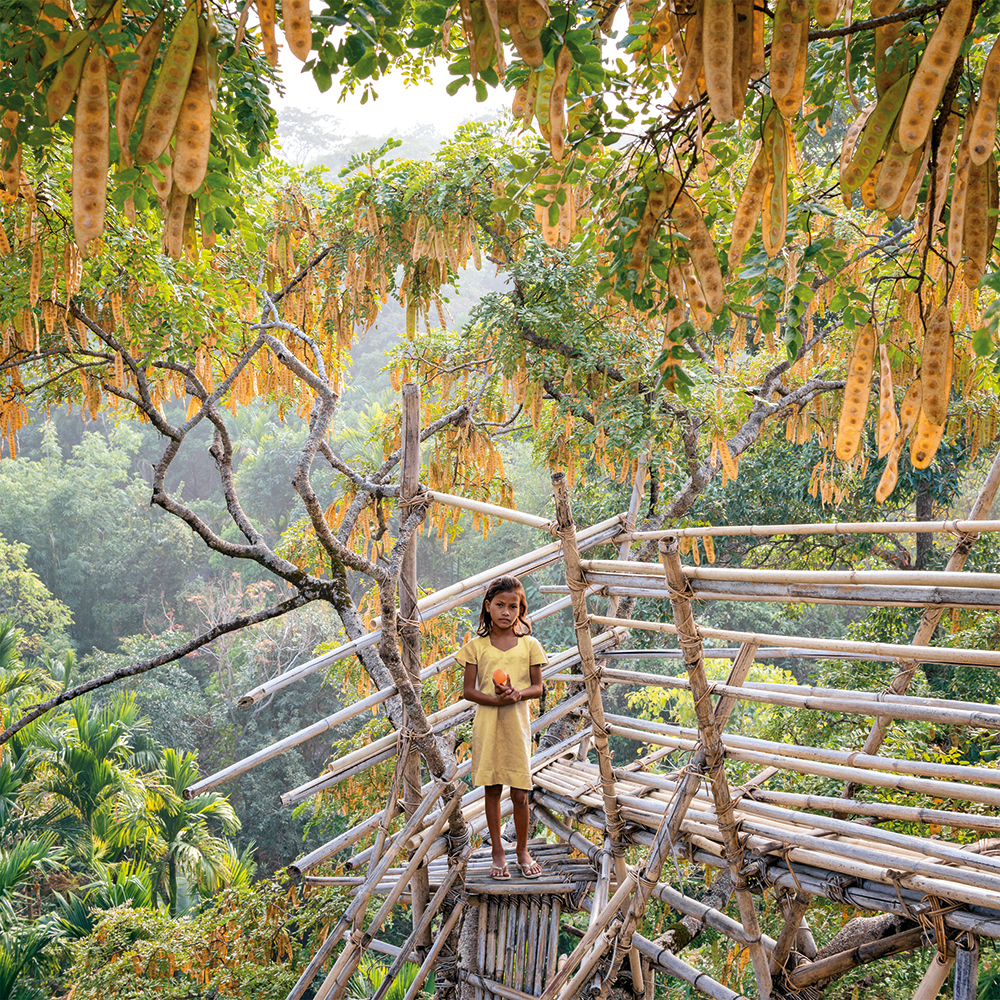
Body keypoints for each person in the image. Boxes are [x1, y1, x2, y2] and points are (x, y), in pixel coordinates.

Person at [457, 574, 547, 880]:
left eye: (513, 606)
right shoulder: (476, 647)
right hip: (488, 723)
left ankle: (522, 850)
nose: (506, 612)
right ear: (488, 607)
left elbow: (538, 687)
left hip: (517, 724)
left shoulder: (529, 645)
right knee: (493, 789)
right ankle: (498, 851)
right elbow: (468, 691)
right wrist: (494, 701)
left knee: (520, 793)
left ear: (521, 610)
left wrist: (517, 694)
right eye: (500, 605)